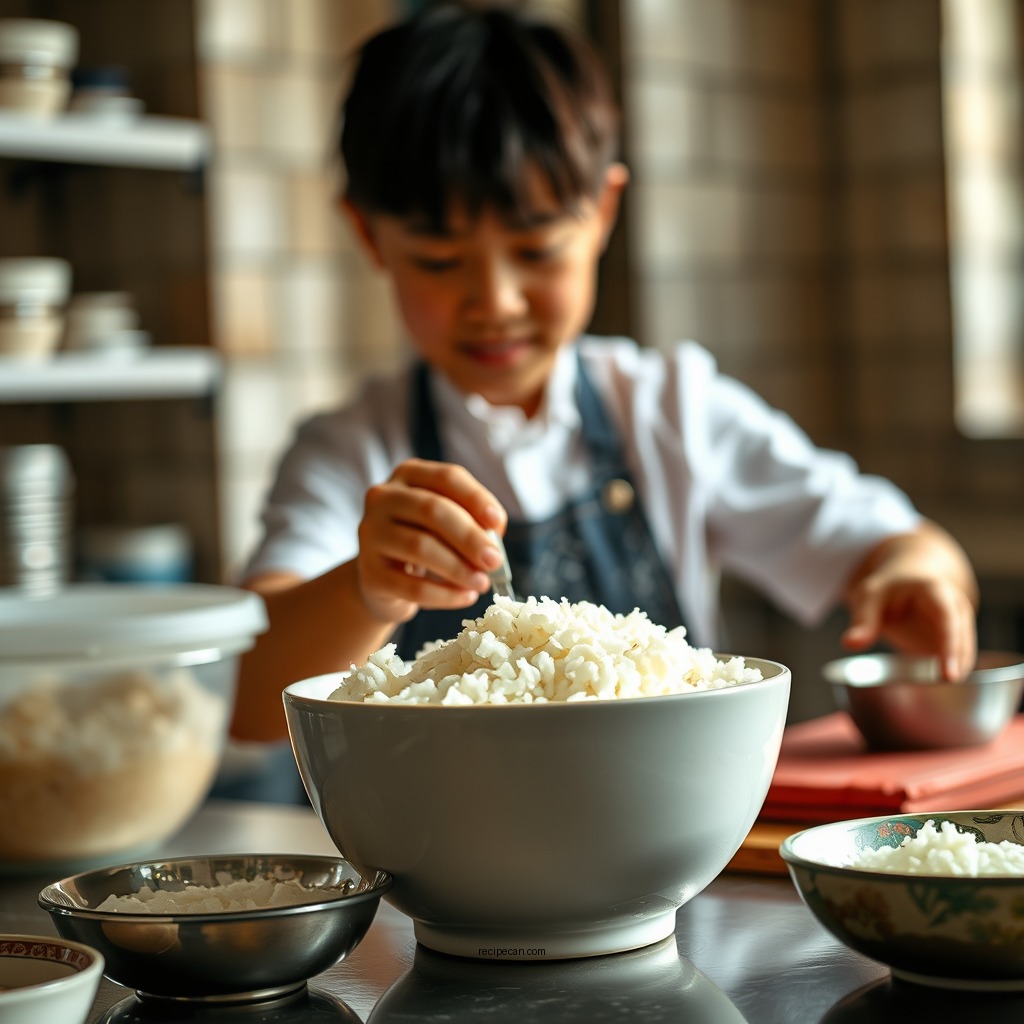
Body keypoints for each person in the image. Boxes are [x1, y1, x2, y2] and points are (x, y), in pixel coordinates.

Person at [229, 1, 978, 745]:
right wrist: (369, 586)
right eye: (439, 262)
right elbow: (248, 697)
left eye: (536, 250)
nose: (495, 302)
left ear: (603, 212)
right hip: (427, 857)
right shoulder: (349, 450)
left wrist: (922, 578)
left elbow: (900, 543)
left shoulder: (671, 411)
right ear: (368, 235)